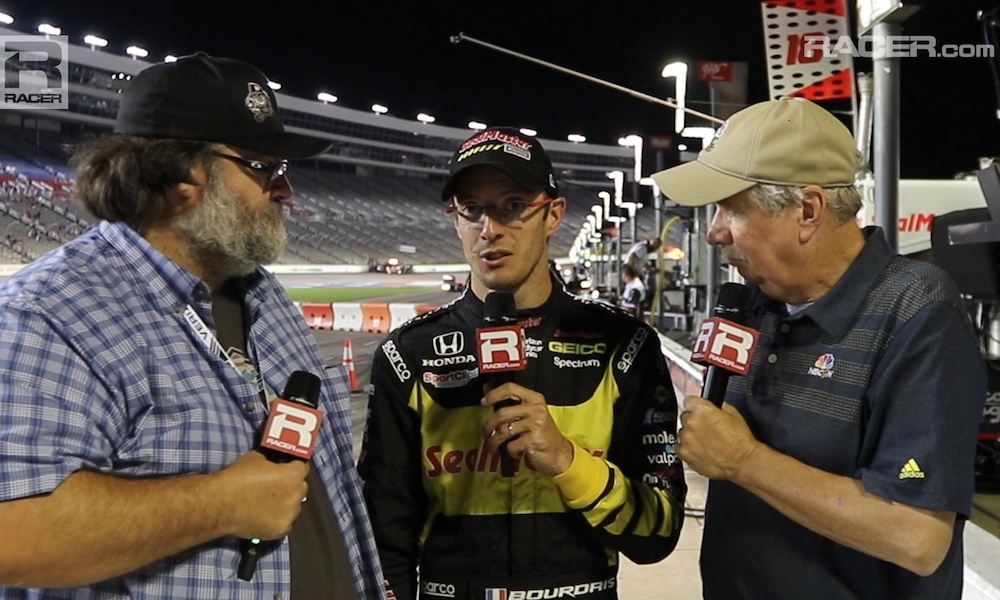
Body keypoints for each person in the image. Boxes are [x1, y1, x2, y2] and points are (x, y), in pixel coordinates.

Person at [0, 53, 384, 599]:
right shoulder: (49, 313)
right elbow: (13, 533)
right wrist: (221, 504)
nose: (285, 190)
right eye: (264, 167)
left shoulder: (258, 290)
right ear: (183, 173)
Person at [651, 97, 987, 599]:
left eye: (731, 208)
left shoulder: (917, 312)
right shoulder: (752, 305)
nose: (715, 232)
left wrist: (743, 460)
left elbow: (917, 537)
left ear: (807, 211)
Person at [358, 127, 686, 600]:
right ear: (456, 221)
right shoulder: (407, 353)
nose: (489, 229)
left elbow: (659, 532)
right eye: (472, 209)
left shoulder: (624, 345)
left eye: (512, 206)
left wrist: (568, 462)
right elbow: (384, 535)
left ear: (553, 215)